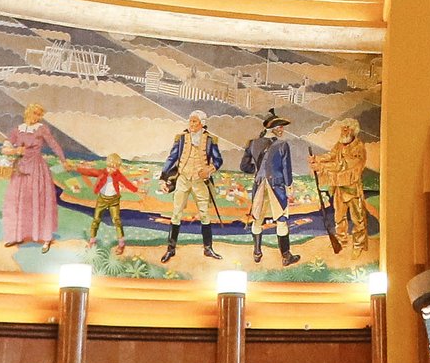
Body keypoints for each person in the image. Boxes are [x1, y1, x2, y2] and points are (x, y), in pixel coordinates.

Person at [158, 112, 224, 260]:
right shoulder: (181, 138)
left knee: (205, 214)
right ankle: (171, 249)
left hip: (200, 182)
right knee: (176, 213)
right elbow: (171, 158)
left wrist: (209, 169)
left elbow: (218, 160)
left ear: (202, 123)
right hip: (183, 179)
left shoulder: (210, 140)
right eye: (190, 121)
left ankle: (208, 248)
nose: (192, 124)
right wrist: (163, 178)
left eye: (195, 121)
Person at [0, 103, 65, 247]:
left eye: (40, 115)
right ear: (29, 113)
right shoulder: (18, 129)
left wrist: (63, 161)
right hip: (21, 168)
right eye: (36, 114)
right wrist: (13, 151)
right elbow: (6, 146)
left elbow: (54, 144)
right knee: (19, 200)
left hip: (37, 168)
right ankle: (18, 235)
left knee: (39, 199)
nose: (38, 117)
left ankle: (45, 237)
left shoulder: (41, 129)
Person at [240, 110, 299, 265]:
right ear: (271, 128)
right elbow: (286, 169)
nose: (282, 129)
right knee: (281, 220)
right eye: (279, 127)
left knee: (257, 219)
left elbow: (244, 166)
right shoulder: (282, 144)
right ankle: (286, 256)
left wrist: (259, 172)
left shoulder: (252, 143)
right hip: (277, 186)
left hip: (259, 184)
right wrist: (289, 187)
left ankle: (257, 252)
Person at [314, 119, 371, 256]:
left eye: (347, 129)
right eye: (343, 128)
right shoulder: (339, 145)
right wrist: (318, 158)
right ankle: (341, 240)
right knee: (339, 217)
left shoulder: (358, 147)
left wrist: (322, 167)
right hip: (339, 188)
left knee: (358, 219)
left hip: (353, 189)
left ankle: (358, 245)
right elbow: (332, 155)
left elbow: (344, 165)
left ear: (353, 131)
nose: (344, 131)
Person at [82, 152, 143, 248]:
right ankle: (92, 241)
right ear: (108, 165)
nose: (114, 170)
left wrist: (138, 190)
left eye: (116, 168)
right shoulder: (102, 172)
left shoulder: (117, 174)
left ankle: (121, 243)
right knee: (96, 219)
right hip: (102, 199)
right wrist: (75, 169)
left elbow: (126, 183)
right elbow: (89, 172)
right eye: (112, 167)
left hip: (114, 200)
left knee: (116, 220)